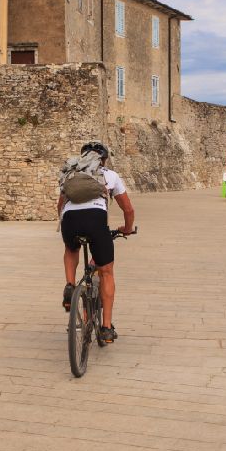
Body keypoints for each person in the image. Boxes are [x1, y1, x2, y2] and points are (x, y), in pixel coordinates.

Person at [58, 141, 134, 344]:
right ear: (104, 159)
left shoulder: (72, 172)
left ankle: (69, 285)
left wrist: (64, 225)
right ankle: (106, 328)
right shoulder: (110, 175)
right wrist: (127, 228)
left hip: (70, 221)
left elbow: (60, 204)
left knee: (70, 247)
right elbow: (128, 209)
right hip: (96, 221)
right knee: (106, 272)